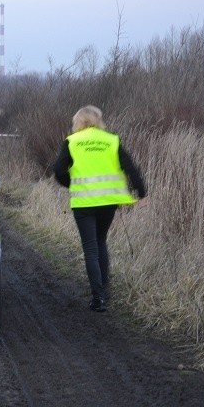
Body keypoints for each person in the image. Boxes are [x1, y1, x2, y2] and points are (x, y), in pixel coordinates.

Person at [53, 105, 147, 313]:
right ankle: (104, 291)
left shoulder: (72, 142)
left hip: (84, 203)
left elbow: (58, 170)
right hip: (108, 202)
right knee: (101, 241)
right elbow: (130, 167)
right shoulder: (111, 140)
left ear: (78, 122)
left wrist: (71, 183)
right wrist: (141, 192)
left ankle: (98, 299)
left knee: (90, 247)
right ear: (97, 121)